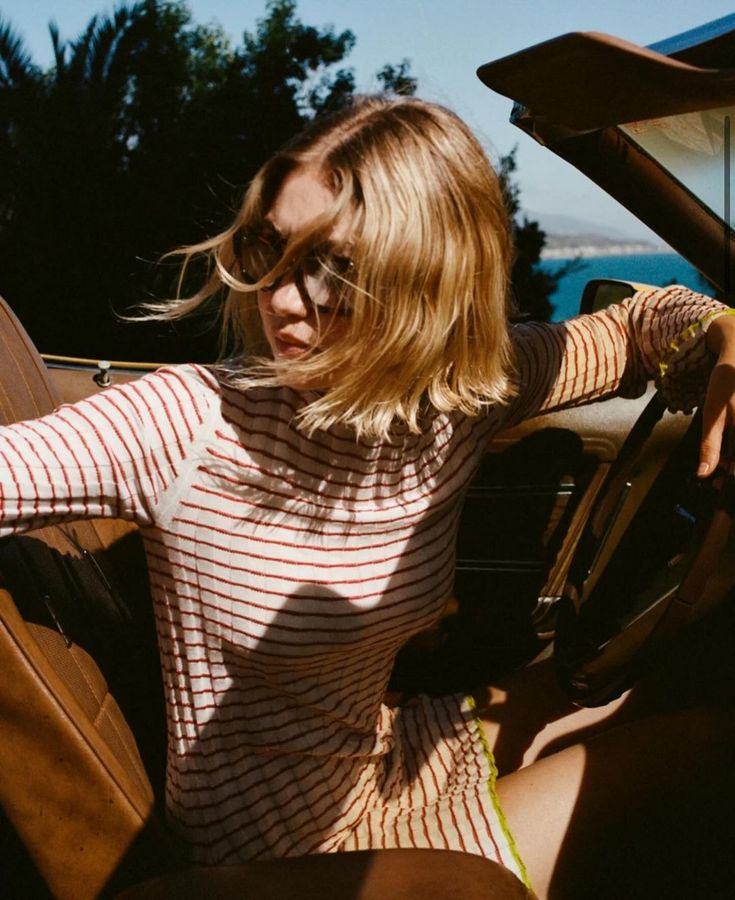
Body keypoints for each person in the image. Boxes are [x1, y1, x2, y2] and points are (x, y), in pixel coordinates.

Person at [1, 95, 735, 899]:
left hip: (380, 761)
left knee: (672, 715)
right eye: (268, 248)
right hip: (262, 850)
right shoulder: (190, 421)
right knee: (689, 754)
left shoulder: (462, 398)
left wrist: (725, 335)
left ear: (432, 278)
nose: (282, 298)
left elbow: (639, 328)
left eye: (335, 270)